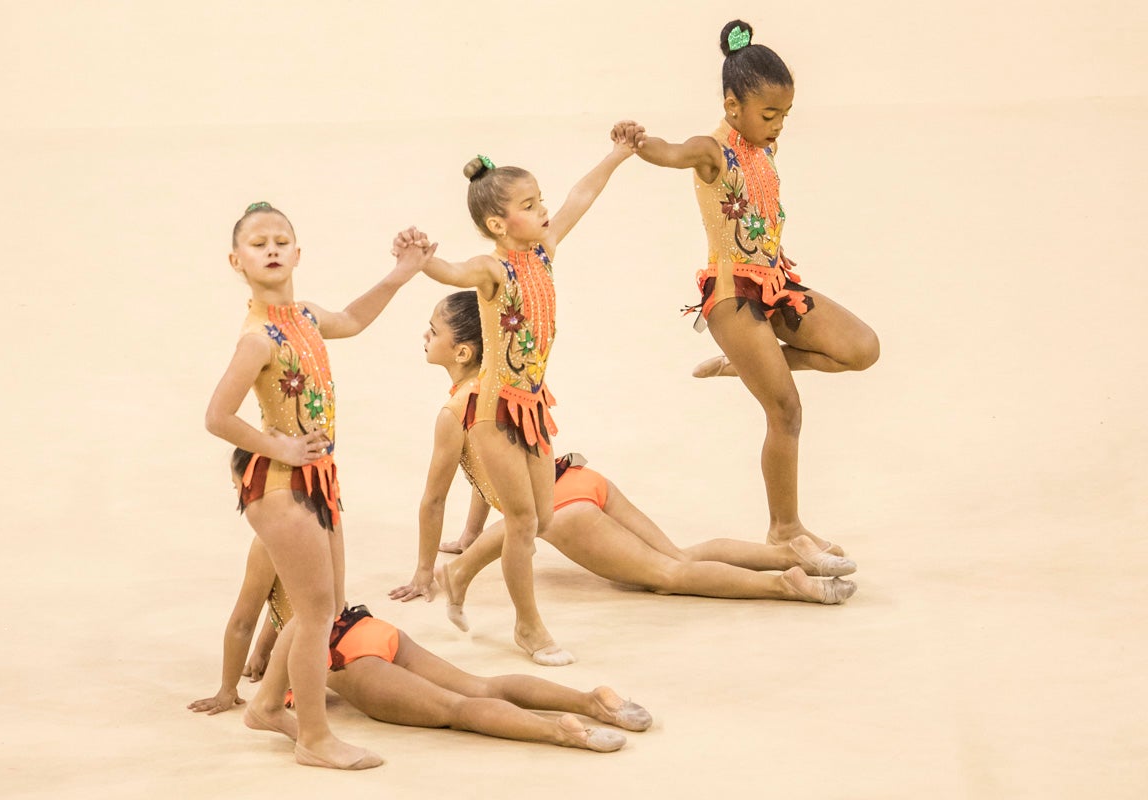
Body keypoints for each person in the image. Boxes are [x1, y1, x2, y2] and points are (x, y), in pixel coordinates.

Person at [387, 293, 857, 634]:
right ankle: (788, 553)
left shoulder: (455, 413)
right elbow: (491, 472)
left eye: (433, 330)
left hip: (564, 513)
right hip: (583, 480)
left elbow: (433, 500)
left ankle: (786, 585)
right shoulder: (501, 385)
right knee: (679, 555)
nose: (424, 335)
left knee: (668, 578)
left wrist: (426, 571)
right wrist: (470, 537)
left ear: (463, 351)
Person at [612, 20, 880, 556]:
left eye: (785, 114)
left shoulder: (761, 144)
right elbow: (672, 151)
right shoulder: (713, 149)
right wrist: (639, 144)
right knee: (786, 411)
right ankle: (785, 528)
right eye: (769, 114)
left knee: (862, 349)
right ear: (733, 106)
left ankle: (746, 364)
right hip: (733, 297)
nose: (779, 125)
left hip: (776, 284)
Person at [391, 141, 634, 665]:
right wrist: (422, 260)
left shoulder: (544, 250)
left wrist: (618, 153)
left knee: (539, 518)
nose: (543, 210)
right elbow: (454, 273)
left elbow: (582, 195)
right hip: (495, 413)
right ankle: (530, 628)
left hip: (533, 406)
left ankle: (458, 574)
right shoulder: (492, 270)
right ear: (499, 225)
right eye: (529, 206)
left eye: (538, 200)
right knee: (523, 522)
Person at [203, 202, 427, 769]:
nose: (271, 248)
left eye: (281, 239)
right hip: (279, 483)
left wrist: (402, 273)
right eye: (258, 243)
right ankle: (314, 738)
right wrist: (279, 445)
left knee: (318, 611)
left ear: (298, 253)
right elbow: (217, 416)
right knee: (315, 611)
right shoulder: (257, 338)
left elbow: (350, 320)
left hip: (316, 480)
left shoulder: (302, 316)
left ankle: (265, 708)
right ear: (237, 261)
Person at [189, 529, 652, 754]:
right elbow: (299, 599)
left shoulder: (269, 538)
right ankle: (593, 700)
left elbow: (242, 621)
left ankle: (562, 731)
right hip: (371, 628)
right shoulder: (320, 517)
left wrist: (228, 689)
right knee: (481, 686)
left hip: (345, 659)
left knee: (458, 711)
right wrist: (266, 657)